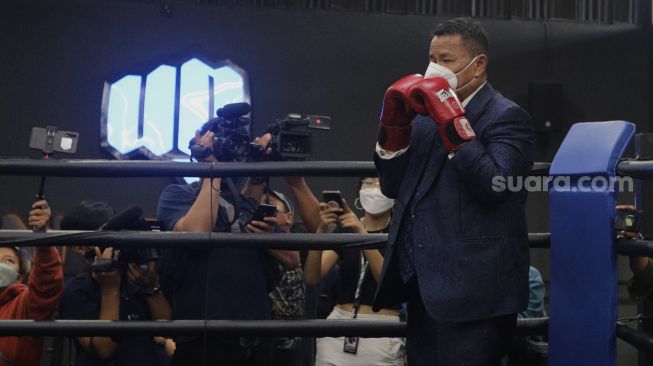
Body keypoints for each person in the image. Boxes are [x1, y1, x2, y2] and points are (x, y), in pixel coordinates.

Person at [373, 18, 534, 365]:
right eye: (432, 58)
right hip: (425, 285)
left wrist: (452, 119)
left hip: (476, 295)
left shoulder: (507, 117)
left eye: (447, 60)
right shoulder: (424, 118)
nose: (435, 68)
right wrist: (393, 132)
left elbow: (496, 185)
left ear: (478, 64)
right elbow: (392, 186)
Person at [156, 131, 287, 366]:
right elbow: (197, 231)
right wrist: (211, 169)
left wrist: (258, 168)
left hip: (256, 338)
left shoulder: (248, 204)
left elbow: (293, 258)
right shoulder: (177, 195)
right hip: (203, 338)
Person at [304, 177, 405, 366]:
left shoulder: (400, 232)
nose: (374, 188)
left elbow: (388, 284)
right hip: (338, 325)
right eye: (368, 183)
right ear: (359, 192)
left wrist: (361, 233)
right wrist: (321, 231)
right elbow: (311, 277)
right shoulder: (345, 230)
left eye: (381, 183)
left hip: (381, 331)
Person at [58, 202, 174, 365]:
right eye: (106, 234)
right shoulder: (76, 290)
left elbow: (166, 329)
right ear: (80, 247)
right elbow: (104, 350)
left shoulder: (134, 278)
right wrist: (110, 291)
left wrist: (151, 287)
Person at [0, 199, 64, 366]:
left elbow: (47, 283)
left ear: (19, 276)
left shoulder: (25, 304)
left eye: (8, 261)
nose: (0, 265)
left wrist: (43, 240)